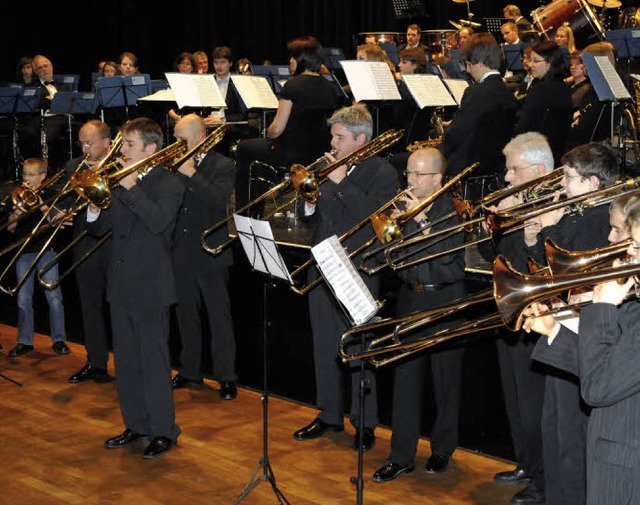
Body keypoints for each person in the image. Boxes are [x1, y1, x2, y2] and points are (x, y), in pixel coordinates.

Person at [293, 104, 398, 452]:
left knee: (358, 348)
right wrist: (306, 201)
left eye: (339, 137)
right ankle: (329, 414)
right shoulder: (328, 168)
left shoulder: (382, 171)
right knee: (323, 346)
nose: (332, 143)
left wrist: (339, 183)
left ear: (360, 139)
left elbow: (372, 218)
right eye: (333, 136)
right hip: (323, 264)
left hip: (358, 267)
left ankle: (365, 422)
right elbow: (310, 215)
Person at [525, 194, 640, 505]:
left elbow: (597, 388)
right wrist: (554, 332)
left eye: (638, 246)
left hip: (627, 469)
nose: (628, 250)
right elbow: (609, 368)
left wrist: (601, 308)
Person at [86, 117, 184, 459]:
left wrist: (130, 188)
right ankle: (136, 423)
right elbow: (101, 230)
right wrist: (94, 207)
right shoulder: (119, 183)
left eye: (128, 145)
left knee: (153, 360)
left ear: (150, 149)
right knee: (125, 360)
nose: (121, 151)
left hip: (152, 285)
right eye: (122, 144)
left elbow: (158, 223)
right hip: (121, 283)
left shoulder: (170, 183)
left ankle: (163, 430)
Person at [372, 147, 466, 482]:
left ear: (438, 178)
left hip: (445, 299)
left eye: (418, 175)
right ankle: (401, 455)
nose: (410, 180)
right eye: (408, 173)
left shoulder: (452, 209)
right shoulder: (401, 206)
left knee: (445, 382)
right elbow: (390, 257)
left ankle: (442, 451)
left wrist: (423, 220)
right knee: (406, 381)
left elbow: (446, 259)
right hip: (410, 299)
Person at [480, 132, 555, 505]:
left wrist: (527, 237)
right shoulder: (517, 203)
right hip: (510, 312)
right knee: (515, 401)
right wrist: (494, 225)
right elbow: (496, 258)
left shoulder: (557, 207)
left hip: (540, 320)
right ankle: (525, 462)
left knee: (536, 406)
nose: (506, 177)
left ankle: (543, 481)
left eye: (513, 169)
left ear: (539, 170)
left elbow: (545, 268)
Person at [170, 114, 238, 400]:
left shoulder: (223, 164)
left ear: (199, 136)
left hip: (212, 251)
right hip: (181, 250)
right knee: (186, 315)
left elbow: (218, 200)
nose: (176, 144)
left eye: (181, 139)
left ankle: (226, 377)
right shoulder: (174, 162)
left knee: (218, 317)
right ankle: (189, 371)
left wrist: (192, 174)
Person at [234, 35, 337, 212]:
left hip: (290, 153)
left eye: (293, 56)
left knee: (244, 148)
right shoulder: (329, 88)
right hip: (317, 153)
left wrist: (266, 131)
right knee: (261, 152)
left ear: (302, 59)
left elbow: (276, 130)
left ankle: (246, 210)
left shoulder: (292, 86)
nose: (290, 60)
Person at [64, 120, 114, 384]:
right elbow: (64, 202)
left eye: (89, 143)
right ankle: (96, 362)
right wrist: (58, 214)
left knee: (118, 307)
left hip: (114, 244)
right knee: (90, 306)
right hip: (84, 243)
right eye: (81, 142)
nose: (84, 148)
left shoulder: (121, 167)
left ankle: (128, 361)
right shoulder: (74, 167)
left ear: (107, 142)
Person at [440, 33, 518, 199]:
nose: (468, 70)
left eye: (468, 65)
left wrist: (442, 143)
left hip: (468, 169)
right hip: (494, 168)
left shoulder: (475, 92)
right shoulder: (508, 92)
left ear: (481, 63)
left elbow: (455, 135)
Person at [6, 158, 70, 358]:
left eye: (32, 175)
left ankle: (59, 340)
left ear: (43, 176)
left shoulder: (51, 194)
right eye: (25, 174)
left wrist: (40, 202)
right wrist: (16, 212)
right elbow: (10, 228)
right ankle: (25, 341)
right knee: (24, 299)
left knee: (54, 298)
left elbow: (55, 221)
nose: (27, 179)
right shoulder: (17, 196)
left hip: (46, 250)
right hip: (24, 251)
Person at [515, 41, 573, 164]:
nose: (530, 64)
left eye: (535, 61)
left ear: (550, 63)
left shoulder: (541, 88)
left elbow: (525, 127)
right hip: (557, 153)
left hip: (536, 156)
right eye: (530, 60)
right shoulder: (564, 87)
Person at [18, 55, 77, 172]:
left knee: (84, 130)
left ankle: (77, 167)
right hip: (47, 119)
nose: (44, 69)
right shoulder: (32, 87)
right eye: (40, 68)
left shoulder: (63, 86)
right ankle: (51, 169)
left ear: (51, 67)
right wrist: (49, 101)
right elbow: (35, 104)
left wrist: (52, 100)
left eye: (46, 66)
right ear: (35, 71)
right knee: (50, 134)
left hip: (66, 118)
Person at [203, 46, 259, 156]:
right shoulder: (207, 82)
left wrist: (222, 120)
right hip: (208, 124)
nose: (219, 66)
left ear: (230, 63)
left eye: (223, 62)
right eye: (216, 62)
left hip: (228, 126)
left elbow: (243, 114)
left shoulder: (239, 83)